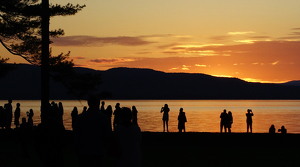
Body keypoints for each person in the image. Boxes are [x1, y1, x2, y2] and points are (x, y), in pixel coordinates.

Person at [73, 96, 111, 167]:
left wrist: (76, 147)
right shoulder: (103, 117)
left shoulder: (80, 117)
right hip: (98, 150)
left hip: (83, 150)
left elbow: (76, 134)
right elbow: (107, 134)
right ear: (98, 104)